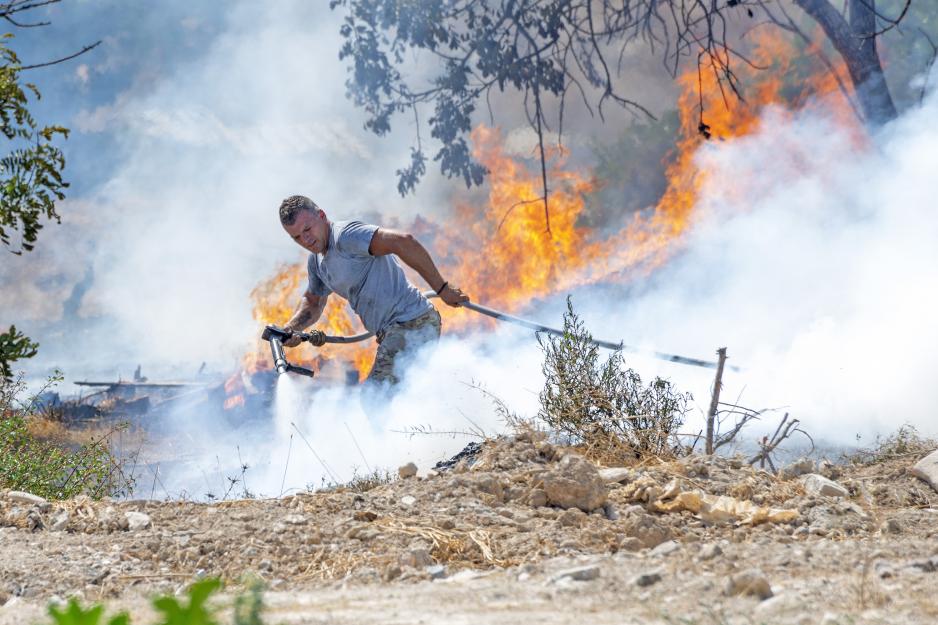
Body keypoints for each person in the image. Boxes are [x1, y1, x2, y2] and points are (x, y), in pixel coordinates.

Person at [278, 195, 469, 385]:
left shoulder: (347, 236)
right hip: (392, 331)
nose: (306, 239)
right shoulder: (317, 262)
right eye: (297, 237)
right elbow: (313, 302)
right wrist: (291, 329)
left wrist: (442, 288)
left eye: (307, 229)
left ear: (321, 215)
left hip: (412, 322)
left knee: (375, 398)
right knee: (399, 400)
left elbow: (404, 241)